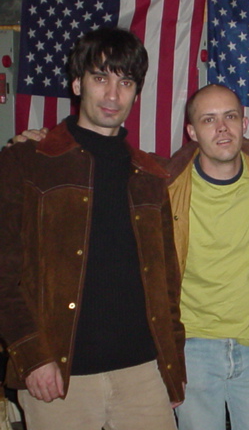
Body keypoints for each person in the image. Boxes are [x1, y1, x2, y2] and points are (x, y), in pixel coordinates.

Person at [0, 28, 186, 430]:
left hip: (143, 374)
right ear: (77, 83)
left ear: (136, 92)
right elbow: (4, 273)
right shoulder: (27, 161)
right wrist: (31, 355)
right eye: (101, 78)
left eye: (126, 82)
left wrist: (173, 366)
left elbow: (167, 284)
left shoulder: (150, 175)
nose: (113, 94)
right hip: (58, 376)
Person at [166, 84, 249, 430]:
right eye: (209, 120)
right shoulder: (168, 186)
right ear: (192, 132)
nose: (222, 128)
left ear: (245, 123)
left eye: (230, 116)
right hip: (193, 350)